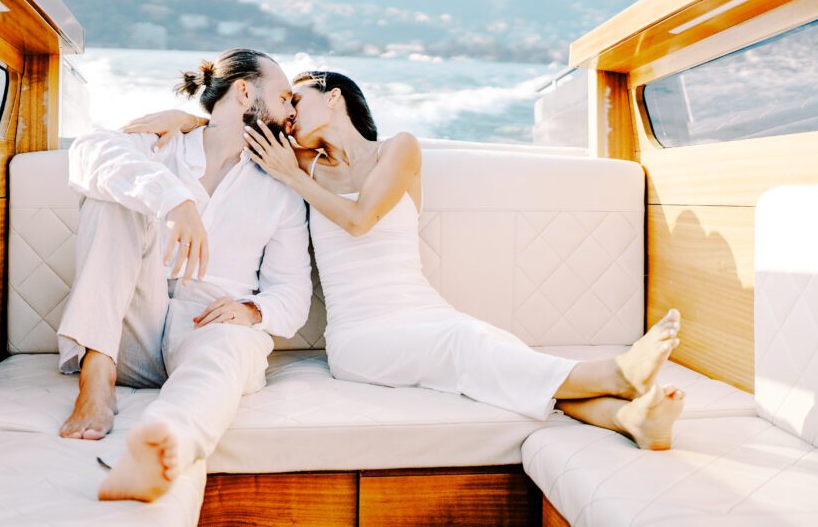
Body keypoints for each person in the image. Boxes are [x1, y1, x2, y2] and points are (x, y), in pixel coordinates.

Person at [125, 70, 685, 451]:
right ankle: (613, 372)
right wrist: (188, 118)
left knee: (497, 355)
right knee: (469, 348)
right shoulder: (300, 167)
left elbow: (363, 216)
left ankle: (627, 419)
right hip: (362, 338)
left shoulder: (399, 149)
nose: (289, 113)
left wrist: (292, 175)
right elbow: (236, 131)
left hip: (422, 310)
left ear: (333, 95)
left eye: (297, 99)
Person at [57, 49, 311, 502]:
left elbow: (291, 294)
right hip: (128, 330)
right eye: (285, 97)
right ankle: (96, 375)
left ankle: (159, 448)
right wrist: (173, 199)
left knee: (226, 351)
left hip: (210, 327)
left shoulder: (282, 191)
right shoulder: (165, 144)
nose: (293, 111)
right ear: (245, 92)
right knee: (110, 196)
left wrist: (252, 309)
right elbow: (88, 151)